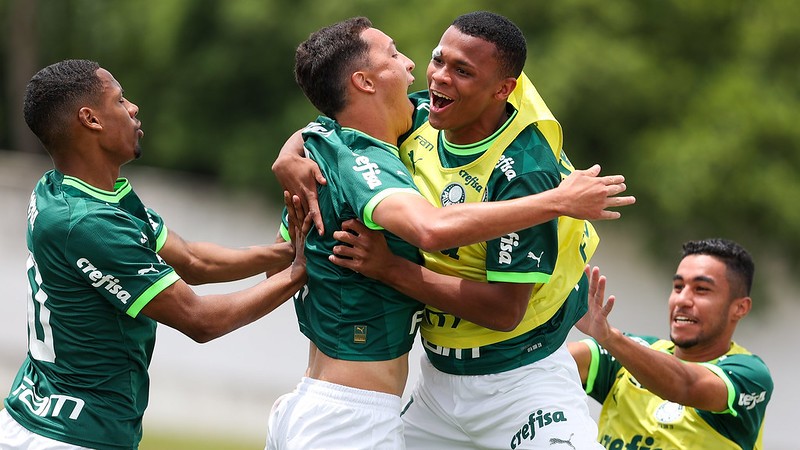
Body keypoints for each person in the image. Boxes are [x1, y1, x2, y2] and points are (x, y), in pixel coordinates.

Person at [272, 11, 625, 449]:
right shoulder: (422, 116)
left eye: (462, 71)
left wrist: (392, 269)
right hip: (435, 384)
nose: (435, 76)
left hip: (520, 383)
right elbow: (344, 117)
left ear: (502, 88)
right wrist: (289, 154)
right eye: (439, 59)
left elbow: (503, 311)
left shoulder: (524, 172)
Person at [0, 59, 308, 450]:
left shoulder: (70, 191)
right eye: (119, 100)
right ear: (90, 119)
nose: (133, 108)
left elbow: (194, 261)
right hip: (72, 435)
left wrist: (283, 252)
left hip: (35, 414)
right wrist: (300, 272)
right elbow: (200, 320)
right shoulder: (90, 224)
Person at [569, 238, 772, 449]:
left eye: (701, 289)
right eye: (678, 286)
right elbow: (549, 362)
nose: (682, 299)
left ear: (740, 308)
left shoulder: (749, 374)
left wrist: (610, 337)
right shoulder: (626, 352)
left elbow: (685, 386)